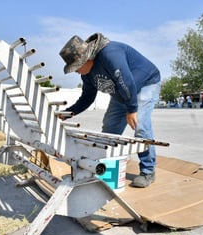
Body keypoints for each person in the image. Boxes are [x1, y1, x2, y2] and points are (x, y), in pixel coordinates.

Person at [58, 33, 161, 188]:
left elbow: (127, 81)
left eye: (76, 67)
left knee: (140, 126)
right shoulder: (87, 74)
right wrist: (67, 114)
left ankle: (148, 171)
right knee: (109, 130)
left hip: (145, 85)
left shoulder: (110, 54)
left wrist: (132, 109)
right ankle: (106, 167)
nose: (76, 72)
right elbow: (87, 98)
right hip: (123, 92)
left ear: (86, 59)